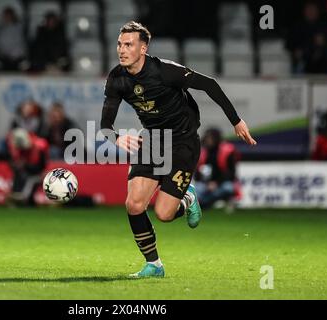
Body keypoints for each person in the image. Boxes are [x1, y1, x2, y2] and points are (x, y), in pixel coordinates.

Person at [100, 21, 256, 278]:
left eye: (128, 44)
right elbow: (106, 122)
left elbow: (210, 85)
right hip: (151, 140)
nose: (122, 49)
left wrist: (236, 121)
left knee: (163, 213)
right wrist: (114, 137)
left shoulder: (165, 71)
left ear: (143, 48)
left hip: (183, 142)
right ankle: (154, 265)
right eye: (119, 44)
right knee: (134, 204)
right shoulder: (117, 77)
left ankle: (188, 198)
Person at [195, 128, 241, 210]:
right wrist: (208, 183)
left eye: (210, 138)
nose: (208, 140)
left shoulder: (227, 151)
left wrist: (217, 183)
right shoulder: (202, 151)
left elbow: (231, 173)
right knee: (196, 190)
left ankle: (207, 203)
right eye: (207, 138)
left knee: (228, 188)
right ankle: (205, 204)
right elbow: (198, 174)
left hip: (221, 183)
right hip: (206, 184)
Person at [6, 128, 49, 207]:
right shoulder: (16, 147)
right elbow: (13, 163)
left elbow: (41, 167)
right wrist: (16, 165)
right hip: (26, 172)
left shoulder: (39, 147)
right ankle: (16, 195)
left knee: (30, 180)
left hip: (37, 173)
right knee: (18, 175)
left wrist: (25, 165)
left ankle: (23, 198)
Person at [0, 7, 27, 71]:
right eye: (5, 16)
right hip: (3, 56)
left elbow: (19, 43)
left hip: (16, 57)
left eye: (8, 16)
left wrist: (13, 55)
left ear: (12, 16)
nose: (6, 18)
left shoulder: (18, 27)